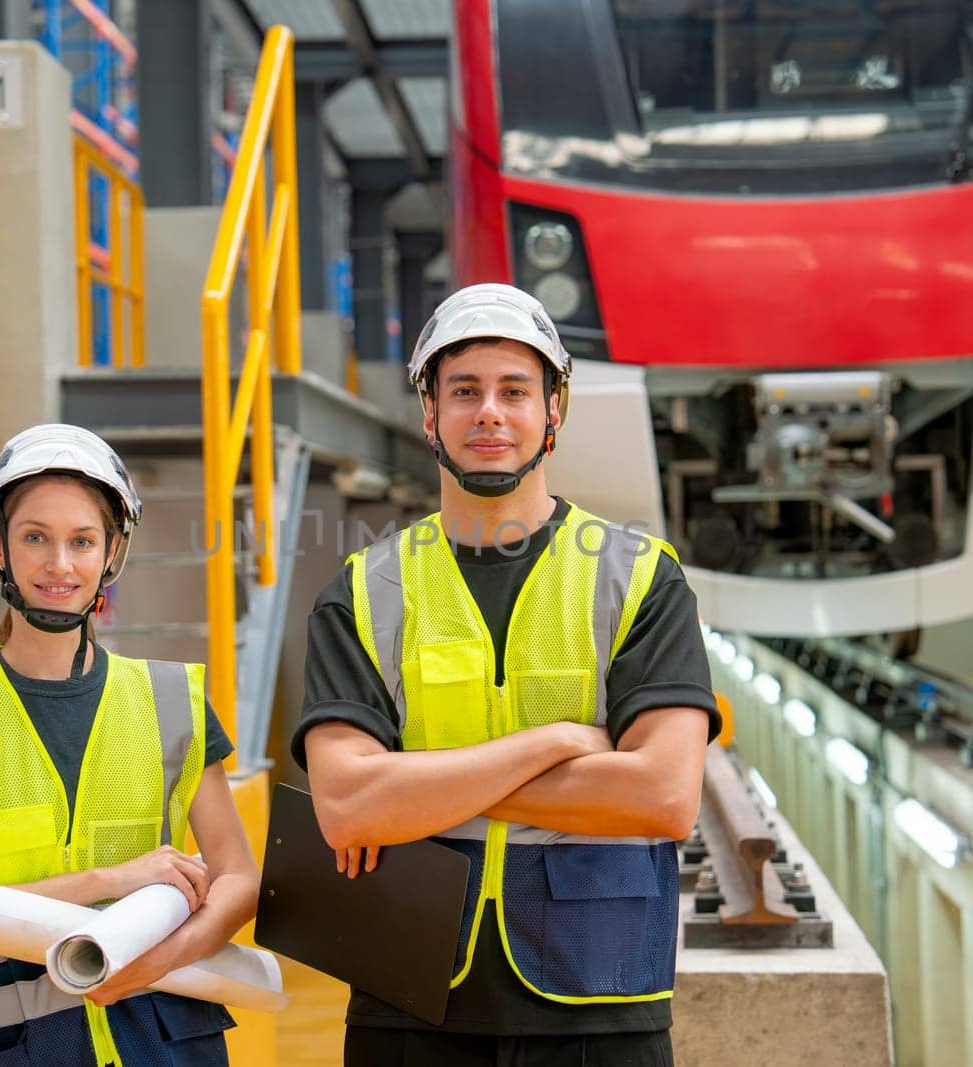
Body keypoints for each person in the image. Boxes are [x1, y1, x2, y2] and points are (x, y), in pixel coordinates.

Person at [294, 284, 720, 1066]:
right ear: (430, 414)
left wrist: (411, 790)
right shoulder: (362, 590)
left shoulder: (640, 579)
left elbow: (663, 795)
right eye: (463, 391)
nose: (489, 411)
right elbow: (348, 808)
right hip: (408, 999)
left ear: (553, 410)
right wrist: (558, 741)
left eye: (515, 390)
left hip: (601, 1002)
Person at [0, 424, 259, 1066]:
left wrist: (153, 963)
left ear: (113, 552)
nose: (60, 565)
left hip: (165, 1046)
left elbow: (240, 878)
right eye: (35, 538)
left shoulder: (172, 701)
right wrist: (108, 881)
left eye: (82, 541)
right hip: (10, 1053)